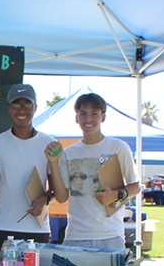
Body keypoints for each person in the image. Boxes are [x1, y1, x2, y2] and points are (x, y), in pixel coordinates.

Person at [0, 84, 61, 255]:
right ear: (8, 108)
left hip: (37, 229)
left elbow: (57, 191)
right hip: (1, 227)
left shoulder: (49, 144)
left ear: (35, 108)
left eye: (27, 104)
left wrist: (45, 199)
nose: (21, 110)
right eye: (16, 104)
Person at [49, 92, 140, 250]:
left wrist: (116, 195)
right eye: (82, 114)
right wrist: (53, 163)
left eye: (94, 113)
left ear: (103, 117)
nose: (88, 119)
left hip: (110, 235)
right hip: (75, 235)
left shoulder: (118, 147)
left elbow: (136, 186)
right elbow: (62, 197)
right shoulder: (69, 153)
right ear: (76, 118)